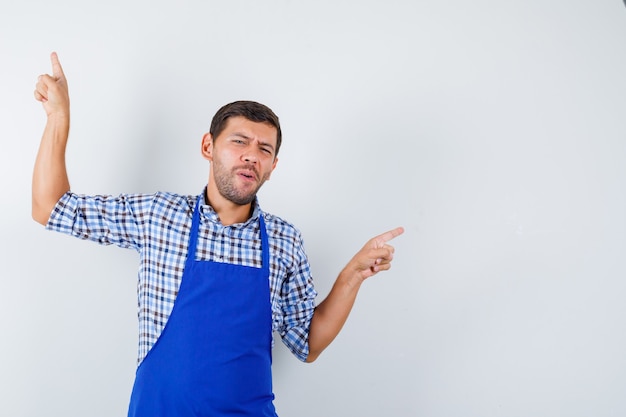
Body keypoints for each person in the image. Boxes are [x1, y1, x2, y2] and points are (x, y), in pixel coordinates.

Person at [32, 52, 404, 417]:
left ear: (273, 167)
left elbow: (308, 343)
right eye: (239, 141)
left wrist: (353, 275)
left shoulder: (284, 240)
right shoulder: (158, 215)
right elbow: (50, 207)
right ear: (208, 147)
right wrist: (58, 118)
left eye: (264, 149)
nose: (251, 156)